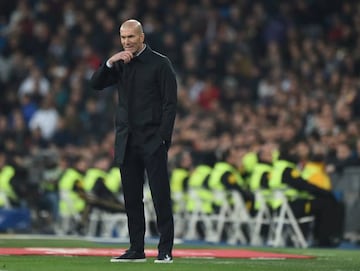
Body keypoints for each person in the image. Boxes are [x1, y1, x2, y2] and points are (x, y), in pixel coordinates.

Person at [90, 19, 177, 263]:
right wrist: (109, 62)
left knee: (160, 196)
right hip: (127, 140)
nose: (127, 41)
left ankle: (165, 250)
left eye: (131, 37)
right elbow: (95, 84)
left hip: (152, 140)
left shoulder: (161, 64)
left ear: (142, 37)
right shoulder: (119, 64)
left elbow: (170, 104)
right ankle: (136, 249)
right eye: (123, 37)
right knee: (131, 199)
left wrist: (163, 138)